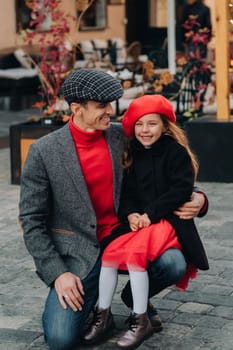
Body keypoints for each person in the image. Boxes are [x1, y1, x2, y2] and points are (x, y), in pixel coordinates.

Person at [19, 68, 208, 350]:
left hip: (127, 233)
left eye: (111, 103)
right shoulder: (44, 152)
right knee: (60, 339)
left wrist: (201, 199)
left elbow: (165, 172)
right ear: (76, 108)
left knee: (173, 263)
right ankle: (101, 315)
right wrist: (58, 273)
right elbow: (31, 221)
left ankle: (136, 301)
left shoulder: (124, 136)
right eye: (101, 106)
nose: (111, 111)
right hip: (79, 252)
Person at [82, 94, 209, 349]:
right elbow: (127, 193)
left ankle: (140, 320)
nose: (145, 130)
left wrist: (150, 214)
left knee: (136, 257)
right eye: (139, 125)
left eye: (151, 124)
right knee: (110, 255)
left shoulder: (175, 152)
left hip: (164, 221)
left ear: (165, 125)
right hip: (138, 222)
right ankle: (103, 314)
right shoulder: (133, 153)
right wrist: (130, 214)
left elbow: (181, 189)